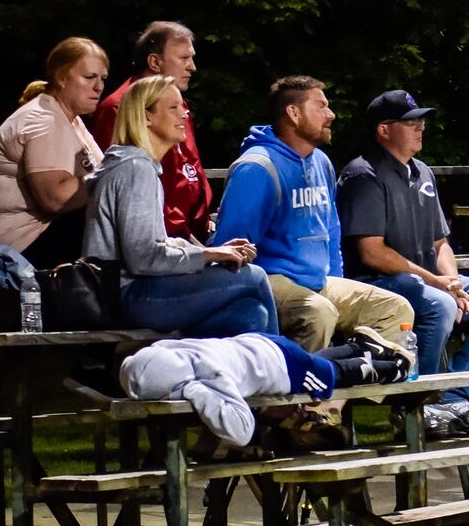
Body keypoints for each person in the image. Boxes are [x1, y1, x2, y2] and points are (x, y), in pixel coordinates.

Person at [338, 89, 469, 439]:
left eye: (420, 120)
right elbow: (371, 252)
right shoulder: (363, 175)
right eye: (410, 122)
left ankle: (452, 399)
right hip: (377, 283)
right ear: (384, 130)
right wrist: (439, 285)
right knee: (438, 304)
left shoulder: (422, 171)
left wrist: (453, 281)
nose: (420, 127)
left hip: (427, 280)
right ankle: (418, 402)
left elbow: (440, 242)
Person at [212, 75, 415, 356]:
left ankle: (333, 398)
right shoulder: (257, 167)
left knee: (394, 309)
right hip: (269, 279)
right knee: (319, 313)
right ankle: (290, 397)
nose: (330, 114)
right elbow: (229, 249)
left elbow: (330, 231)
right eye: (320, 106)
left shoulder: (321, 162)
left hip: (317, 281)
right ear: (293, 113)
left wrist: (337, 279)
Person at [83, 75, 277, 335]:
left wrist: (214, 251)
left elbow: (155, 244)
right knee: (253, 277)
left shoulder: (138, 165)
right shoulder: (136, 168)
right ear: (146, 116)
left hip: (137, 290)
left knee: (250, 315)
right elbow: (144, 258)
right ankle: (285, 367)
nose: (183, 114)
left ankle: (218, 369)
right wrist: (209, 255)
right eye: (173, 107)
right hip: (130, 295)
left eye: (182, 106)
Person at [121, 331, 410, 449]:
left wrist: (196, 393)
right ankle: (359, 346)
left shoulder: (208, 379)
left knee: (329, 379)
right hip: (259, 342)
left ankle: (392, 366)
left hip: (280, 368)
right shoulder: (167, 351)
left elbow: (241, 431)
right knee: (316, 362)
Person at [0, 37, 108, 267]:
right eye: (89, 77)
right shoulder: (44, 119)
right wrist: (112, 178)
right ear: (61, 77)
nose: (98, 86)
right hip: (22, 250)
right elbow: (55, 199)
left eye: (102, 78)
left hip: (45, 239)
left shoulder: (71, 119)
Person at [91, 21, 214, 241]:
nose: (192, 67)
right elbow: (128, 192)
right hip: (164, 242)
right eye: (184, 58)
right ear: (155, 62)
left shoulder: (177, 104)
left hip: (195, 232)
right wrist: (200, 250)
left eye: (191, 57)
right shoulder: (119, 108)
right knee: (248, 275)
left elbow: (188, 167)